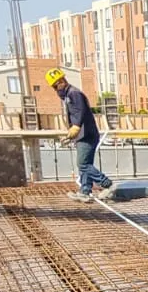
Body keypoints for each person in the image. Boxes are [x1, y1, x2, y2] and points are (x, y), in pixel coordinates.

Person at [47, 68, 115, 203]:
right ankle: (85, 191)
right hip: (83, 135)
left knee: (83, 164)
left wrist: (76, 127)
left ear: (61, 81)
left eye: (56, 86)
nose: (56, 90)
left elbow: (80, 112)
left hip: (87, 135)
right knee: (85, 164)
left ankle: (107, 184)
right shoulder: (69, 95)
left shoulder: (74, 94)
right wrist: (71, 133)